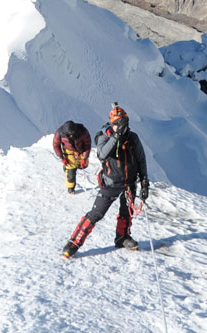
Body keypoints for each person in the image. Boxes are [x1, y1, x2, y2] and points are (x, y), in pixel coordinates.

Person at [62, 103, 150, 259]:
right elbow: (102, 154)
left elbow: (141, 160)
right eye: (119, 123)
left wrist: (144, 182)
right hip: (110, 183)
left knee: (126, 213)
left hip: (129, 183)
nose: (123, 127)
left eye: (124, 123)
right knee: (96, 213)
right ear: (112, 124)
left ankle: (122, 237)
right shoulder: (104, 136)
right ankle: (74, 243)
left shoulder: (133, 138)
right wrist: (116, 136)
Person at [52, 120, 92, 193]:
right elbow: (56, 145)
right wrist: (62, 157)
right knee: (71, 168)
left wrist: (84, 158)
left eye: (73, 133)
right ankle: (71, 188)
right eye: (69, 134)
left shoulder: (82, 131)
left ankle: (73, 166)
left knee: (83, 165)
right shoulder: (59, 133)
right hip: (69, 150)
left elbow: (87, 145)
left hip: (81, 149)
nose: (71, 136)